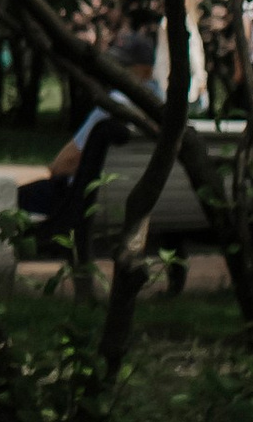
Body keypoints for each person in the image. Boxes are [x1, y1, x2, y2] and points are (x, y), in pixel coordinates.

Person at [16, 27, 158, 260]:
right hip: (144, 202)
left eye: (122, 67)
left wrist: (55, 169)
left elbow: (64, 164)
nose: (113, 72)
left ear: (145, 70)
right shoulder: (162, 106)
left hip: (85, 199)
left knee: (13, 197)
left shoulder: (115, 105)